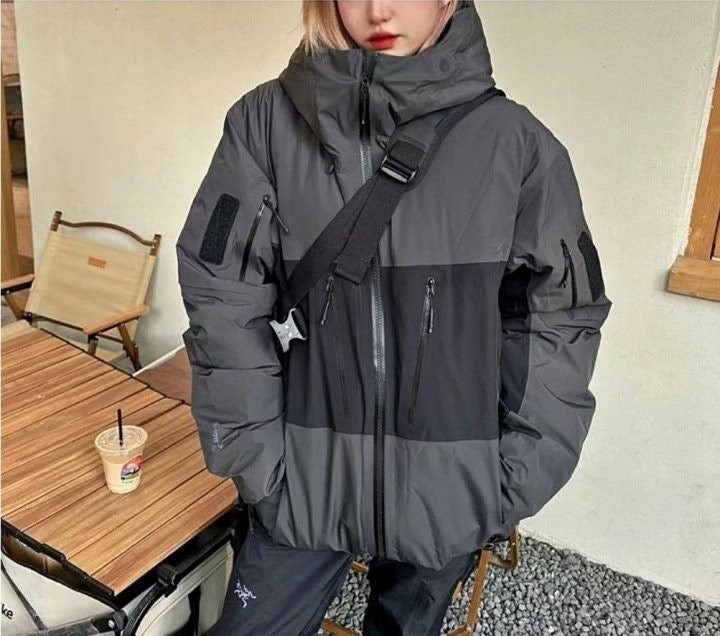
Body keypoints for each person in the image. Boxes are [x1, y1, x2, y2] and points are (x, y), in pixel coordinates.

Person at [176, 0, 612, 634]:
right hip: (300, 469)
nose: (378, 9)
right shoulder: (263, 125)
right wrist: (255, 460)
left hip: (450, 481)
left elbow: (561, 315)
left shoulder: (516, 145)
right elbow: (222, 293)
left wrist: (511, 477)